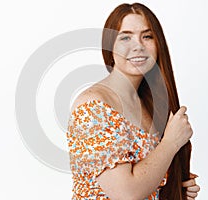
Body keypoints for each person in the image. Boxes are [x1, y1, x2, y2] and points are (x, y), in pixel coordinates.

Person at [66, 3, 200, 200]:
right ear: (110, 46)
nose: (138, 46)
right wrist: (171, 142)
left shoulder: (150, 104)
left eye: (147, 36)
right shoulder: (92, 107)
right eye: (125, 37)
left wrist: (175, 189)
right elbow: (125, 193)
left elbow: (148, 177)